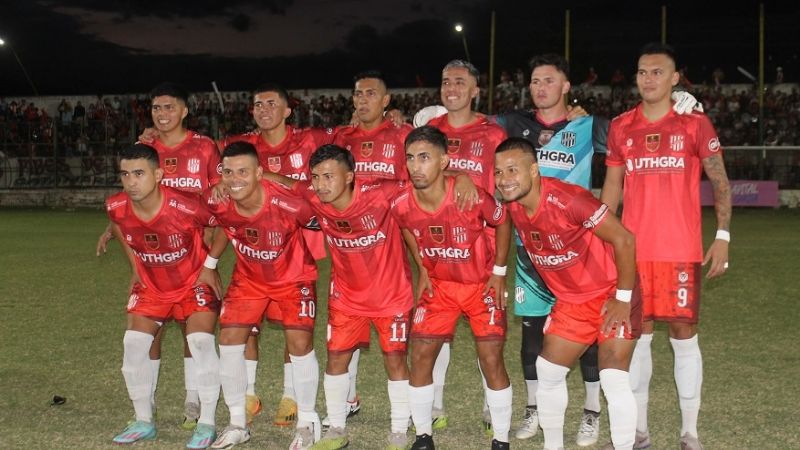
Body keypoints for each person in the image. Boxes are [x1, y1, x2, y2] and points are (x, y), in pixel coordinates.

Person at [601, 42, 731, 450]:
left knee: (684, 337)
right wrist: (603, 235)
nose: (648, 78)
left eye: (658, 72)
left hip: (681, 251)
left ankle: (689, 433)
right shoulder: (622, 126)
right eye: (642, 71)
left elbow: (720, 181)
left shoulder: (694, 124)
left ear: (675, 79)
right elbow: (612, 187)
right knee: (637, 338)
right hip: (635, 253)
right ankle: (639, 432)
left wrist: (722, 236)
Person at [262, 144, 414, 450]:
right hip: (346, 298)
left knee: (396, 361)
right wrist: (255, 174)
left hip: (392, 294)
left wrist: (459, 177)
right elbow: (287, 183)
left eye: (329, 176)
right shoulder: (314, 196)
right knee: (336, 360)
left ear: (349, 176)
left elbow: (427, 180)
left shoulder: (381, 194)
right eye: (316, 177)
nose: (321, 184)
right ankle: (336, 429)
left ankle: (399, 429)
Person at [494, 137, 641, 450]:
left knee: (613, 379)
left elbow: (625, 240)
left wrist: (623, 299)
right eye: (498, 172)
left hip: (612, 294)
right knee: (547, 372)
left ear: (533, 170)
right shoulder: (513, 205)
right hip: (573, 302)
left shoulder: (568, 199)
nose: (504, 179)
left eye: (512, 170)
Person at [495, 53, 609, 446]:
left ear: (565, 86)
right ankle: (533, 409)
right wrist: (416, 119)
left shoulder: (588, 125)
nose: (539, 87)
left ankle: (591, 412)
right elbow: (466, 127)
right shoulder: (512, 124)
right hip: (532, 257)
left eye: (548, 80)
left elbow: (630, 138)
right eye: (534, 81)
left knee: (589, 337)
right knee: (530, 336)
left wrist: (684, 105)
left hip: (577, 257)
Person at [98, 82, 222, 431]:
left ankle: (194, 399)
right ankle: (145, 409)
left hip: (193, 250)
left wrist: (209, 257)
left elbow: (216, 199)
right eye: (156, 109)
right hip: (154, 256)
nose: (162, 114)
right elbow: (125, 208)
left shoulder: (204, 147)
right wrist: (124, 241)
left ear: (184, 111)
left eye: (169, 108)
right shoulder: (144, 147)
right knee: (145, 337)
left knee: (193, 332)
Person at [392, 126, 512, 450]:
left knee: (491, 359)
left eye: (425, 158)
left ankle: (501, 440)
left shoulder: (468, 195)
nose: (416, 166)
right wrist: (422, 269)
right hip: (441, 288)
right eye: (411, 158)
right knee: (419, 356)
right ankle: (423, 437)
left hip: (479, 285)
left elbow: (503, 220)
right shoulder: (402, 203)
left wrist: (499, 271)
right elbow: (405, 228)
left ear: (444, 160)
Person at [222, 83, 333, 427]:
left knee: (293, 327)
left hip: (298, 244)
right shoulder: (239, 146)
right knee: (246, 329)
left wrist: (394, 119)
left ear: (287, 110)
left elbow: (355, 140)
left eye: (272, 103)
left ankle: (290, 397)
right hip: (256, 252)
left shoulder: (310, 140)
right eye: (257, 104)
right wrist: (148, 139)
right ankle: (249, 395)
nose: (264, 109)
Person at [204, 142, 321, 450]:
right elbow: (224, 228)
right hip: (249, 279)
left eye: (243, 171)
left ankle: (307, 422)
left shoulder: (290, 204)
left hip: (294, 277)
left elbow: (328, 218)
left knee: (299, 344)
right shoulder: (219, 201)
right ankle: (238, 423)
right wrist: (209, 264)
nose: (234, 179)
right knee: (228, 343)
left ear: (259, 173)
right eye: (228, 172)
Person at [425, 59, 507, 431]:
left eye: (460, 81)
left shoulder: (493, 134)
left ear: (476, 90)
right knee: (436, 333)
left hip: (482, 251)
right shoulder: (429, 130)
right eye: (445, 81)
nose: (451, 87)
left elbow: (504, 192)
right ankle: (435, 406)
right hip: (438, 250)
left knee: (486, 336)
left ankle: (492, 407)